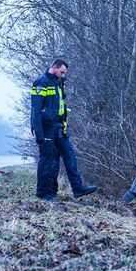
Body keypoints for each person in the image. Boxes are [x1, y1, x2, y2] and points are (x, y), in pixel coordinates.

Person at [30, 58, 98, 201]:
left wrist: (63, 126)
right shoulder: (41, 83)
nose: (63, 75)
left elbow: (60, 106)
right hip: (46, 128)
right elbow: (36, 110)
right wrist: (39, 133)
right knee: (47, 160)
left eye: (64, 73)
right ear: (54, 67)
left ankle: (77, 188)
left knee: (70, 155)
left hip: (59, 127)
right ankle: (43, 193)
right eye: (61, 72)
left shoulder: (58, 82)